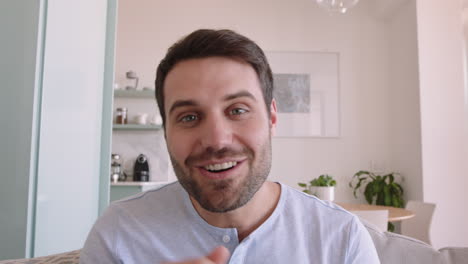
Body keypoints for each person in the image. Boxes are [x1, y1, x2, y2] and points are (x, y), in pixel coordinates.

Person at [80, 29, 379, 264]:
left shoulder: (342, 239)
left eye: (237, 110)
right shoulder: (119, 232)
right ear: (166, 130)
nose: (217, 140)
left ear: (272, 117)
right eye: (189, 116)